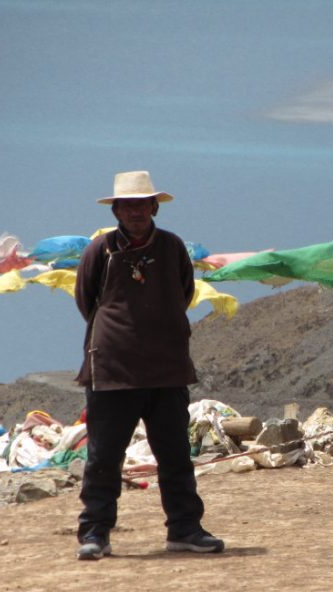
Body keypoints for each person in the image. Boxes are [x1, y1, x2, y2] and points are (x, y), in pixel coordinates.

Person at [74, 170, 224, 560]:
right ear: (117, 210)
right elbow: (86, 301)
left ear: (154, 206)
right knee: (104, 458)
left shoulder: (173, 248)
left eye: (142, 204)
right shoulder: (100, 252)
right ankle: (95, 534)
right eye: (127, 205)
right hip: (113, 371)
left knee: (175, 454)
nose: (135, 212)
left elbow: (184, 292)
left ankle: (185, 529)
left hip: (167, 369)